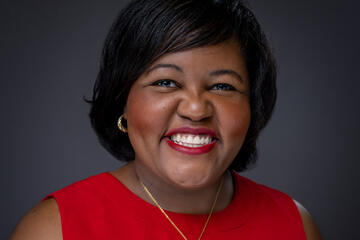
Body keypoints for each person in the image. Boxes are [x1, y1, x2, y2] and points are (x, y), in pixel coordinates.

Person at [10, 0, 322, 239]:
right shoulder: (55, 229)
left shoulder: (296, 224)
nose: (197, 109)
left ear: (252, 106)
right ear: (123, 101)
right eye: (166, 82)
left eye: (223, 86)